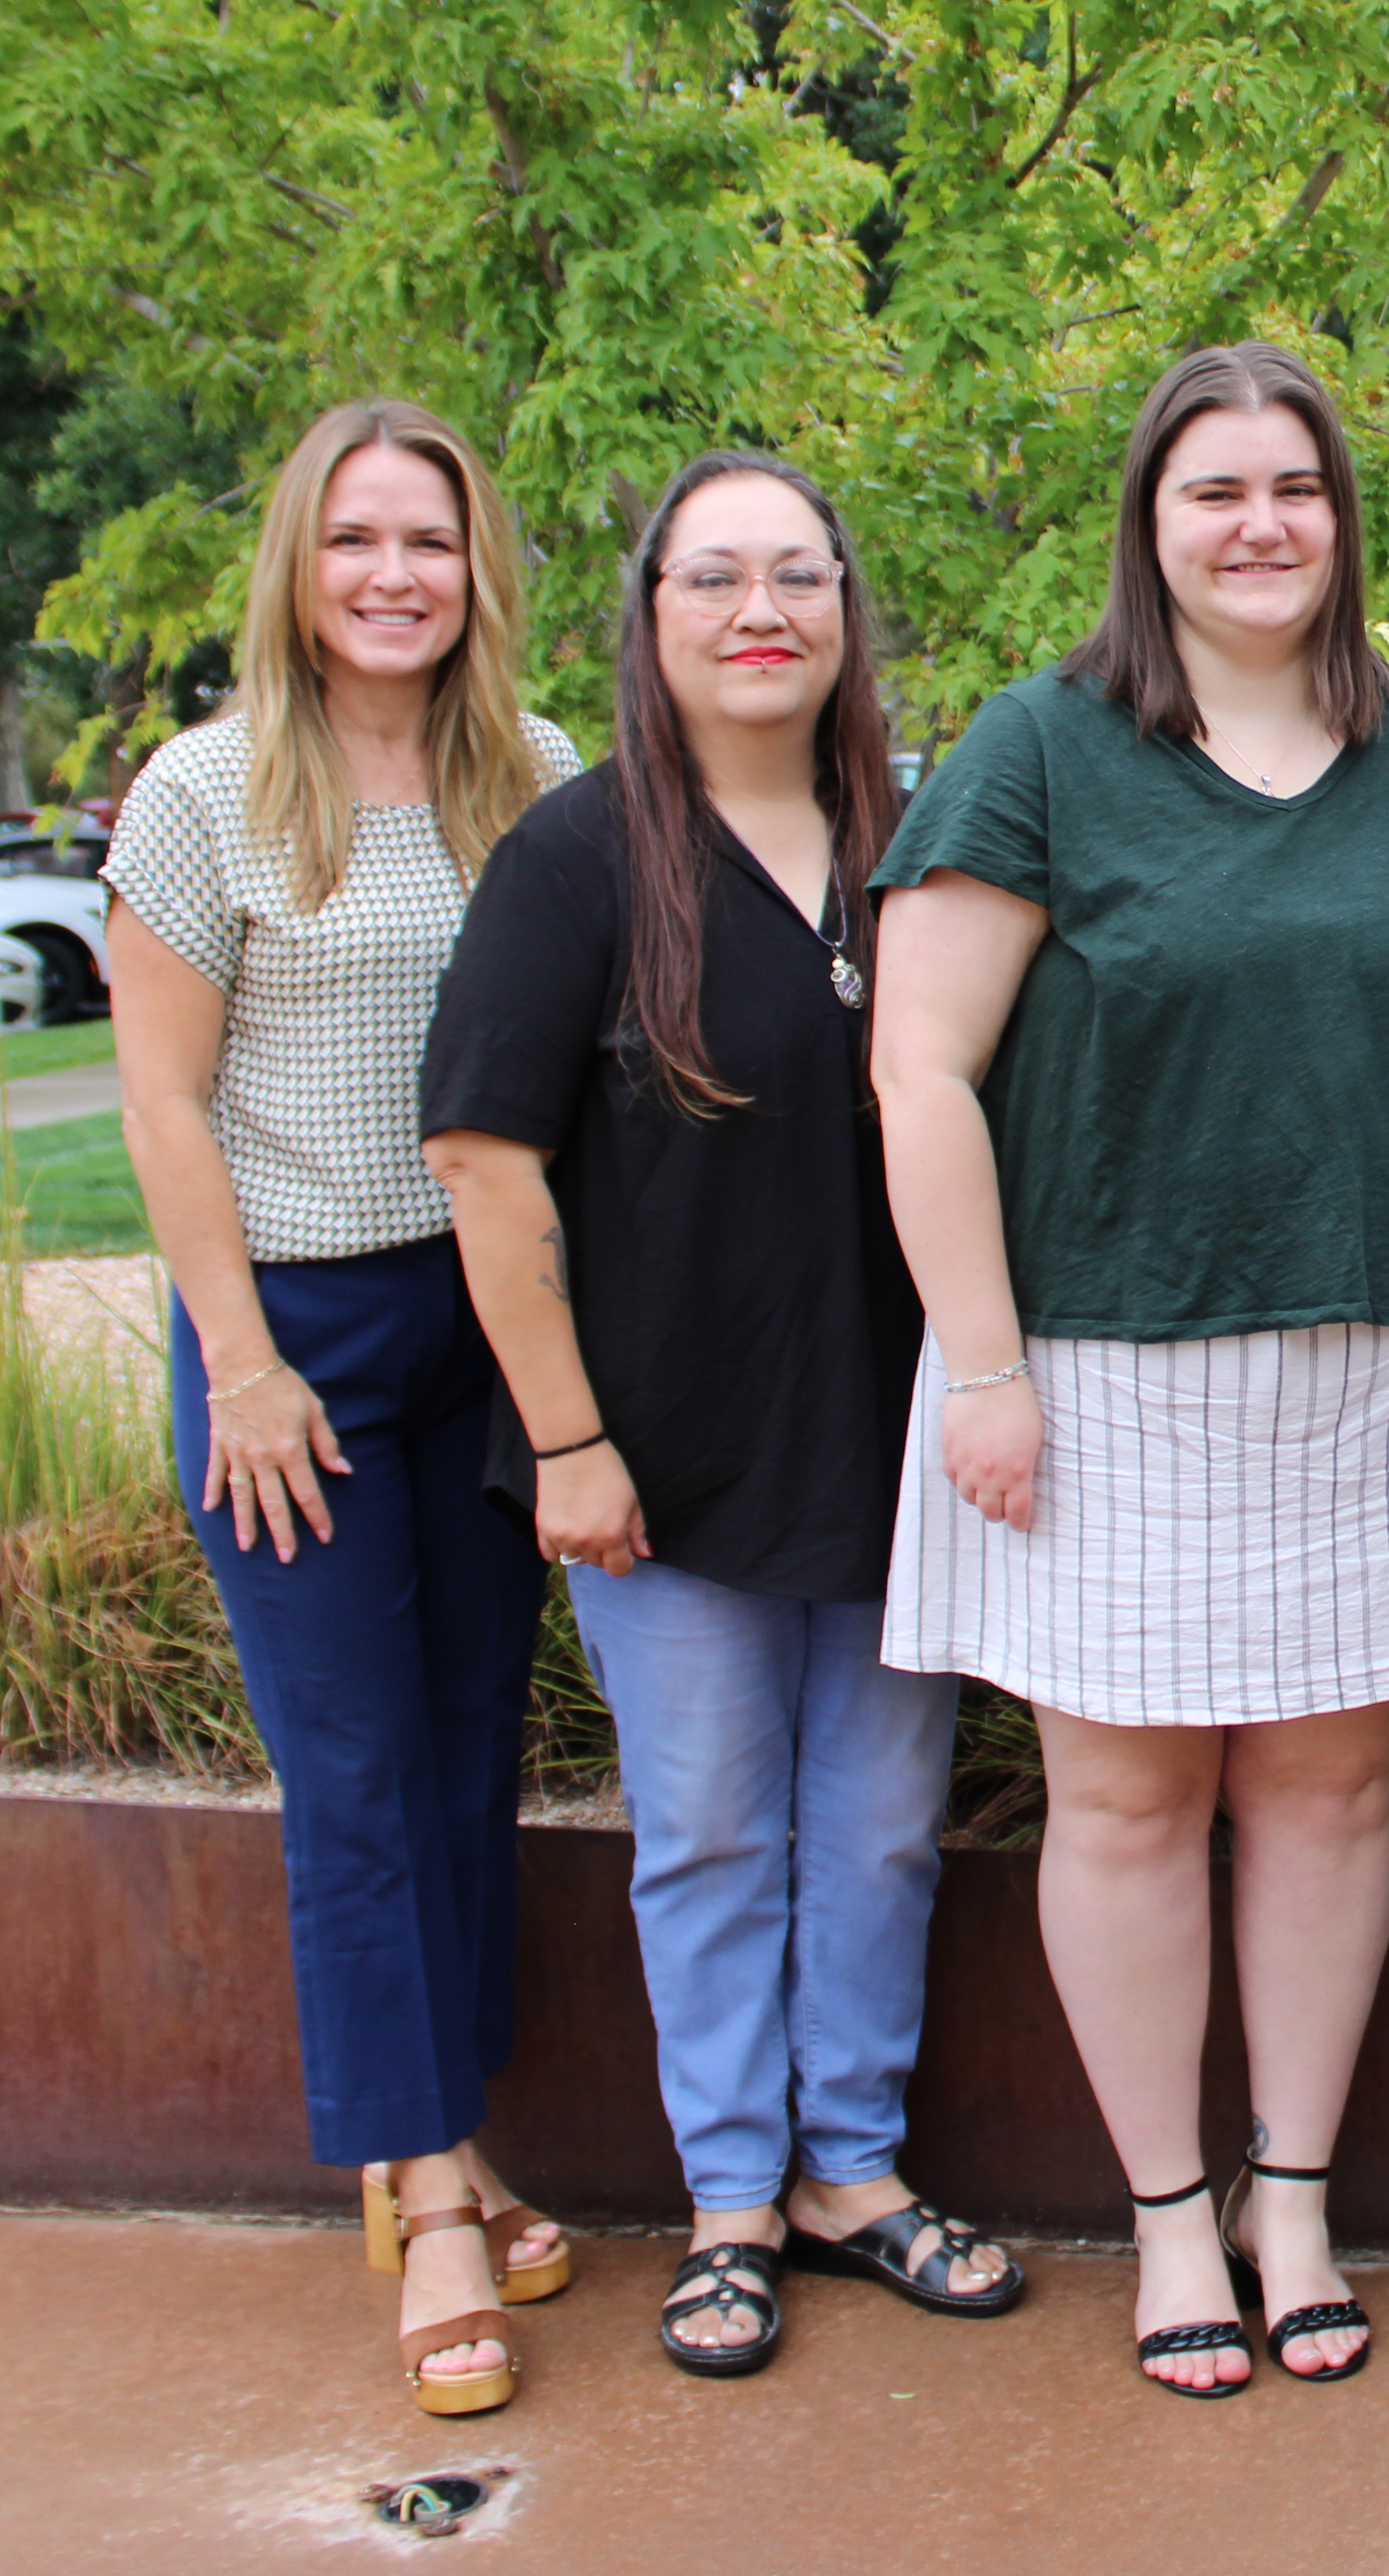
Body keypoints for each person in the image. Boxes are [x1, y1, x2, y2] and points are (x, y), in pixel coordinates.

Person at [867, 340, 1389, 2400]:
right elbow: (920, 1068)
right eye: (1215, 491)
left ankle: (1296, 2201)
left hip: (1382, 1357)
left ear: (1345, 520)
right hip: (1097, 1364)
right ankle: (1166, 2220)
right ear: (1150, 527)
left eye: (1296, 490)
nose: (1260, 526)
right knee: (1130, 1801)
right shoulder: (1042, 753)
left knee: (1333, 1796)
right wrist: (981, 1365)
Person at [420, 451, 1026, 2383]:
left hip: (891, 1441)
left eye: (796, 574)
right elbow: (485, 1163)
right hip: (659, 1461)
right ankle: (733, 2204)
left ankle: (857, 2169)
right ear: (654, 615)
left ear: (847, 607)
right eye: (715, 577)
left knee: (877, 1837)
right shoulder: (580, 855)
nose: (759, 609)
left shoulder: (915, 848)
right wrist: (571, 1436)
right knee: (702, 1838)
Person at [105, 396, 580, 2418]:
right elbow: (159, 1098)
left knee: (474, 1751)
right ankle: (431, 2196)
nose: (395, 573)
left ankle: (441, 2125)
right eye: (356, 538)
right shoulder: (206, 794)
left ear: (479, 572)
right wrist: (244, 1359)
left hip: (489, 1318)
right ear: (297, 564)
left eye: (433, 540)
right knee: (359, 1769)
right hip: (293, 1332)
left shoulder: (536, 779)